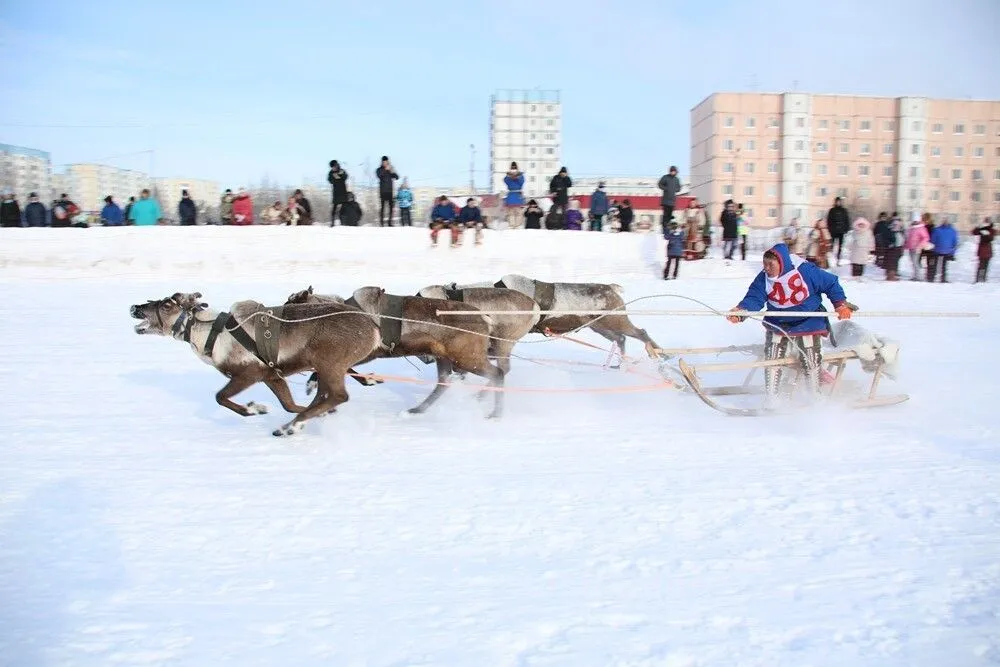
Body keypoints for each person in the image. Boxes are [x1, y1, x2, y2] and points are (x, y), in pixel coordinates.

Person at [727, 242, 854, 400]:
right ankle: (772, 397)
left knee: (810, 358)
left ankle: (815, 396)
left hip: (808, 320)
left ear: (781, 263)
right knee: (772, 358)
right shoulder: (764, 279)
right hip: (778, 322)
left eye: (770, 264)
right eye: (764, 264)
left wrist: (840, 304)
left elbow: (830, 283)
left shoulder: (805, 271)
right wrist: (741, 311)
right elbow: (754, 297)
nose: (766, 268)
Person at [928, 217, 958, 283]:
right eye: (944, 221)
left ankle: (935, 278)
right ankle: (941, 278)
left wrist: (953, 251)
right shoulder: (952, 230)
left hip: (941, 250)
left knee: (940, 265)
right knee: (941, 265)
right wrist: (952, 251)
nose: (945, 222)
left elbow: (933, 240)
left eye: (945, 221)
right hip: (942, 250)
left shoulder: (938, 230)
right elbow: (955, 242)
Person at [657, 165, 681, 237]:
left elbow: (679, 188)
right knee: (665, 216)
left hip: (672, 201)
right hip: (665, 200)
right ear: (670, 171)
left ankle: (668, 230)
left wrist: (675, 189)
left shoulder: (677, 179)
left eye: (674, 171)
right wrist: (666, 188)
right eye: (672, 171)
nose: (673, 173)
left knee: (670, 216)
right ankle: (664, 230)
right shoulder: (665, 177)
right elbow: (659, 184)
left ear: (676, 172)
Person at [904, 212, 930, 280]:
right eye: (914, 220)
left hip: (916, 248)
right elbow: (908, 237)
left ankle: (918, 276)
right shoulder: (911, 228)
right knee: (913, 262)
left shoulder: (921, 228)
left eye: (916, 220)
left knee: (915, 262)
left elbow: (926, 237)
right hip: (910, 247)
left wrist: (920, 245)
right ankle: (915, 275)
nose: (915, 221)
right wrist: (906, 245)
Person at [826, 196, 850, 265]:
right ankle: (831, 258)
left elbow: (847, 220)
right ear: (835, 202)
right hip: (833, 231)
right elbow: (829, 220)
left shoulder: (844, 210)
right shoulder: (832, 210)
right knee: (832, 245)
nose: (838, 203)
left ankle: (838, 259)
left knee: (840, 246)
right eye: (837, 201)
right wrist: (830, 229)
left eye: (839, 201)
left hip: (841, 231)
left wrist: (846, 229)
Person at [375, 155, 398, 226]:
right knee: (382, 208)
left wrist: (392, 171)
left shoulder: (390, 169)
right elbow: (379, 176)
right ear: (382, 162)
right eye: (384, 162)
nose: (385, 163)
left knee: (391, 208)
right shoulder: (379, 169)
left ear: (388, 161)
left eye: (386, 161)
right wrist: (385, 169)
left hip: (390, 191)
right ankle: (381, 223)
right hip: (382, 191)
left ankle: (389, 222)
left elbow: (397, 177)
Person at [972, 218, 995, 283]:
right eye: (985, 222)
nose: (986, 223)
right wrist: (978, 227)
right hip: (981, 251)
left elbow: (991, 238)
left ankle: (983, 279)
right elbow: (974, 232)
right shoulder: (981, 229)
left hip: (988, 251)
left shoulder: (991, 230)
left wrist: (987, 233)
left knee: (986, 267)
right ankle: (977, 280)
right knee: (980, 267)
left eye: (987, 222)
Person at [503, 162, 525, 228]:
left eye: (515, 167)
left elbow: (521, 182)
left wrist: (517, 177)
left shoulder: (520, 175)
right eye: (512, 167)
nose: (513, 169)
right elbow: (506, 181)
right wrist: (509, 176)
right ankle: (511, 225)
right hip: (511, 194)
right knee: (511, 211)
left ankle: (518, 225)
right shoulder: (508, 176)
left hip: (518, 194)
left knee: (518, 211)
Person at [327, 160, 349, 225]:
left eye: (334, 166)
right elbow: (330, 180)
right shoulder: (331, 173)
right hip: (336, 192)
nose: (333, 168)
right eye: (332, 167)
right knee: (334, 208)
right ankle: (332, 222)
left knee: (344, 208)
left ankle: (344, 222)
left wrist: (338, 176)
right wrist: (336, 177)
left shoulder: (341, 170)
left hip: (343, 191)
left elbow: (345, 177)